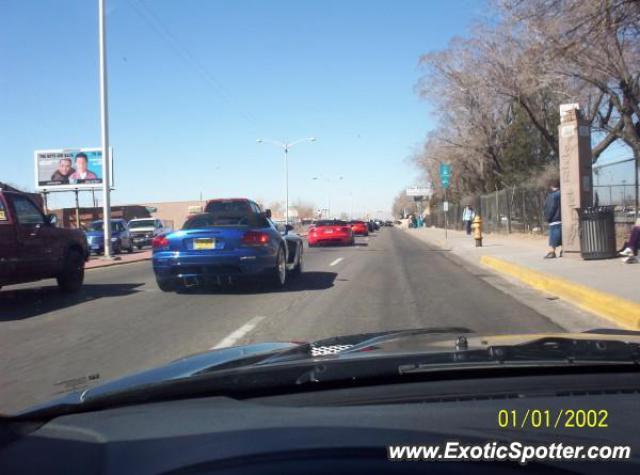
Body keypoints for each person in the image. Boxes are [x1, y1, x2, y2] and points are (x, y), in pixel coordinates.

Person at [543, 180, 562, 259]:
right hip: (562, 218)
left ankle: (552, 251)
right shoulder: (562, 194)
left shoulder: (552, 196)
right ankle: (562, 250)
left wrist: (548, 217)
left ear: (551, 186)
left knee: (553, 235)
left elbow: (551, 207)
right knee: (562, 235)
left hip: (554, 219)